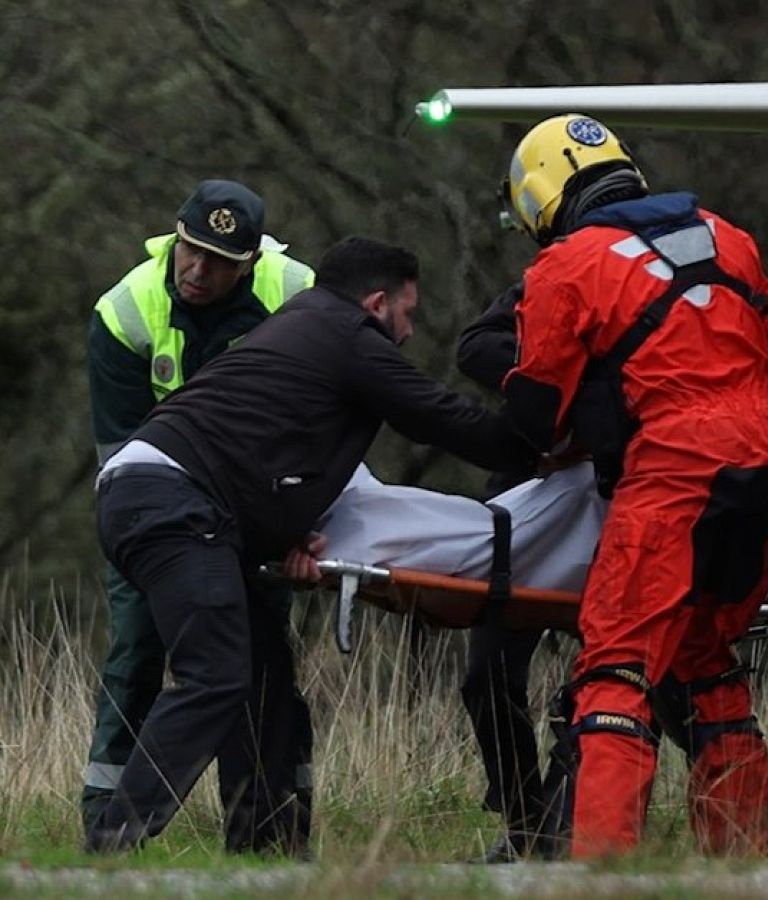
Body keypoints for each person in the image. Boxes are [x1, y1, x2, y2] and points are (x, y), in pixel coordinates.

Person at [85, 236, 537, 854]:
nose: (408, 332)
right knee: (215, 673)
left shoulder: (300, 325)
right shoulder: (347, 335)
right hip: (170, 499)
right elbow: (447, 418)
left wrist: (285, 534)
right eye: (408, 314)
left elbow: (259, 450)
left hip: (172, 498)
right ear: (377, 303)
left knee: (263, 672)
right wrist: (546, 443)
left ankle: (268, 851)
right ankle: (112, 843)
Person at [499, 113, 768, 858]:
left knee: (616, 667)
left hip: (676, 472)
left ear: (541, 200)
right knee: (705, 662)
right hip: (764, 470)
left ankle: (603, 864)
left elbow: (532, 414)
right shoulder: (729, 236)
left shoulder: (569, 264)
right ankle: (740, 861)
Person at [83, 180, 316, 849]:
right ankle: (103, 835)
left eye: (219, 260)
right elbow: (116, 459)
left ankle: (272, 837)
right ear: (175, 237)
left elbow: (319, 421)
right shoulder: (125, 312)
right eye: (191, 250)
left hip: (262, 508)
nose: (198, 269)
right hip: (156, 511)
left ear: (251, 261)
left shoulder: (298, 296)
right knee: (136, 651)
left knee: (264, 663)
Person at [454, 280, 553, 863]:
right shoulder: (545, 282)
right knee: (486, 678)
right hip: (527, 500)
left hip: (616, 501)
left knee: (632, 678)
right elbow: (475, 347)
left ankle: (579, 817)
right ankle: (528, 824)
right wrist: (553, 370)